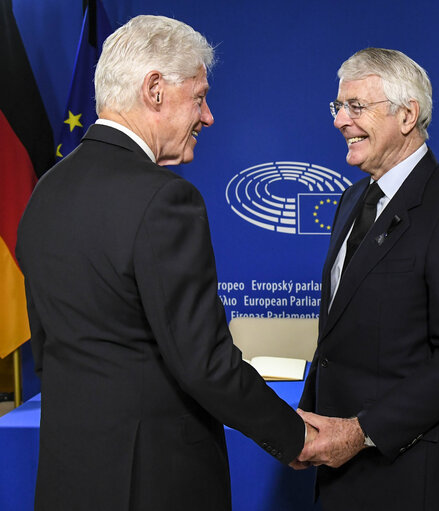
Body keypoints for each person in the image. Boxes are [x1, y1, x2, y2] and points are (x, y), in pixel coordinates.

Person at [16, 15, 313, 510]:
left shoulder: (45, 191)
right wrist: (296, 435)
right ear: (154, 89)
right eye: (199, 96)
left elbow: (48, 350)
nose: (209, 116)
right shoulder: (165, 200)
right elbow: (205, 363)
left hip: (68, 473)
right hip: (155, 481)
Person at [294, 47, 439, 510]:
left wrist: (362, 431)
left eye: (355, 106)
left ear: (407, 116)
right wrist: (308, 426)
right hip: (338, 459)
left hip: (410, 470)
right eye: (337, 107)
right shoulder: (351, 200)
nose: (339, 121)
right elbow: (335, 337)